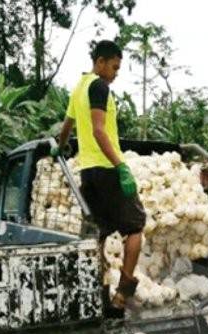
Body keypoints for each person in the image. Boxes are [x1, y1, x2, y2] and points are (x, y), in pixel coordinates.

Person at [54, 39, 144, 309]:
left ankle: (100, 292)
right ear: (101, 62)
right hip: (107, 168)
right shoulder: (98, 86)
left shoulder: (78, 87)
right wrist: (120, 165)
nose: (115, 73)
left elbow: (67, 126)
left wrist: (59, 149)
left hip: (88, 172)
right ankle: (122, 294)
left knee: (101, 233)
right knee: (136, 226)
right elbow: (97, 130)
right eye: (114, 67)